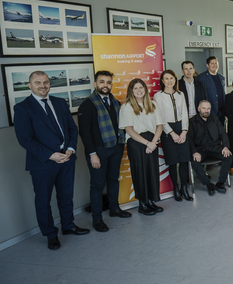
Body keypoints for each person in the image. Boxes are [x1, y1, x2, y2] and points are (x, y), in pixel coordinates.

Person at [14, 71, 88, 250]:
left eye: (46, 82)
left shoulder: (60, 103)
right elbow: (25, 139)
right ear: (29, 85)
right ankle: (50, 234)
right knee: (43, 201)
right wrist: (51, 155)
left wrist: (70, 149)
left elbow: (72, 128)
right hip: (42, 163)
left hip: (67, 159)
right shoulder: (23, 108)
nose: (43, 86)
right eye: (38, 82)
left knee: (66, 196)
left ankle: (68, 225)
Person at [78, 70, 132, 232]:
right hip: (98, 151)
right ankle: (97, 219)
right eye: (102, 82)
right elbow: (85, 133)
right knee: (97, 185)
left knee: (113, 179)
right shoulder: (87, 105)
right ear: (95, 84)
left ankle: (114, 209)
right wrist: (92, 154)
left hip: (115, 147)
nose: (105, 85)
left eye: (108, 82)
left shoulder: (114, 102)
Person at [119, 78, 165, 215]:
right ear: (131, 91)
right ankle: (142, 203)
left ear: (145, 89)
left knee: (152, 172)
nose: (139, 90)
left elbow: (160, 126)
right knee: (140, 174)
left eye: (141, 87)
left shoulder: (153, 104)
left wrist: (154, 142)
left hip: (152, 141)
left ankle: (151, 200)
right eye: (135, 88)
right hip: (137, 143)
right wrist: (147, 143)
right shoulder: (127, 107)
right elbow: (129, 130)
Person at [153, 70, 191, 202]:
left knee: (184, 160)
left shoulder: (180, 94)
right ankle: (176, 188)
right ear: (162, 81)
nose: (169, 81)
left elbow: (185, 113)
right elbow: (160, 117)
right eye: (166, 79)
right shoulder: (158, 96)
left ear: (175, 80)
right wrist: (172, 133)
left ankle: (184, 188)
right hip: (167, 131)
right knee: (173, 162)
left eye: (172, 78)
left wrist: (184, 131)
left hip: (182, 128)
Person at [189, 100, 233, 196]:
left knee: (228, 156)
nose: (206, 110)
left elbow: (223, 134)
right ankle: (208, 184)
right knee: (195, 162)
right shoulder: (192, 121)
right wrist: (194, 152)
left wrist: (225, 147)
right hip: (200, 149)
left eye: (208, 108)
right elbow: (190, 139)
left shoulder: (215, 119)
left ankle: (220, 183)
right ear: (199, 109)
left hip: (214, 147)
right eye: (204, 108)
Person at [196, 56, 226, 124]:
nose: (215, 65)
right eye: (212, 63)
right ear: (207, 65)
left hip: (221, 113)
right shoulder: (201, 78)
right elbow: (199, 97)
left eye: (216, 63)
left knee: (221, 133)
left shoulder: (221, 77)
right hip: (209, 113)